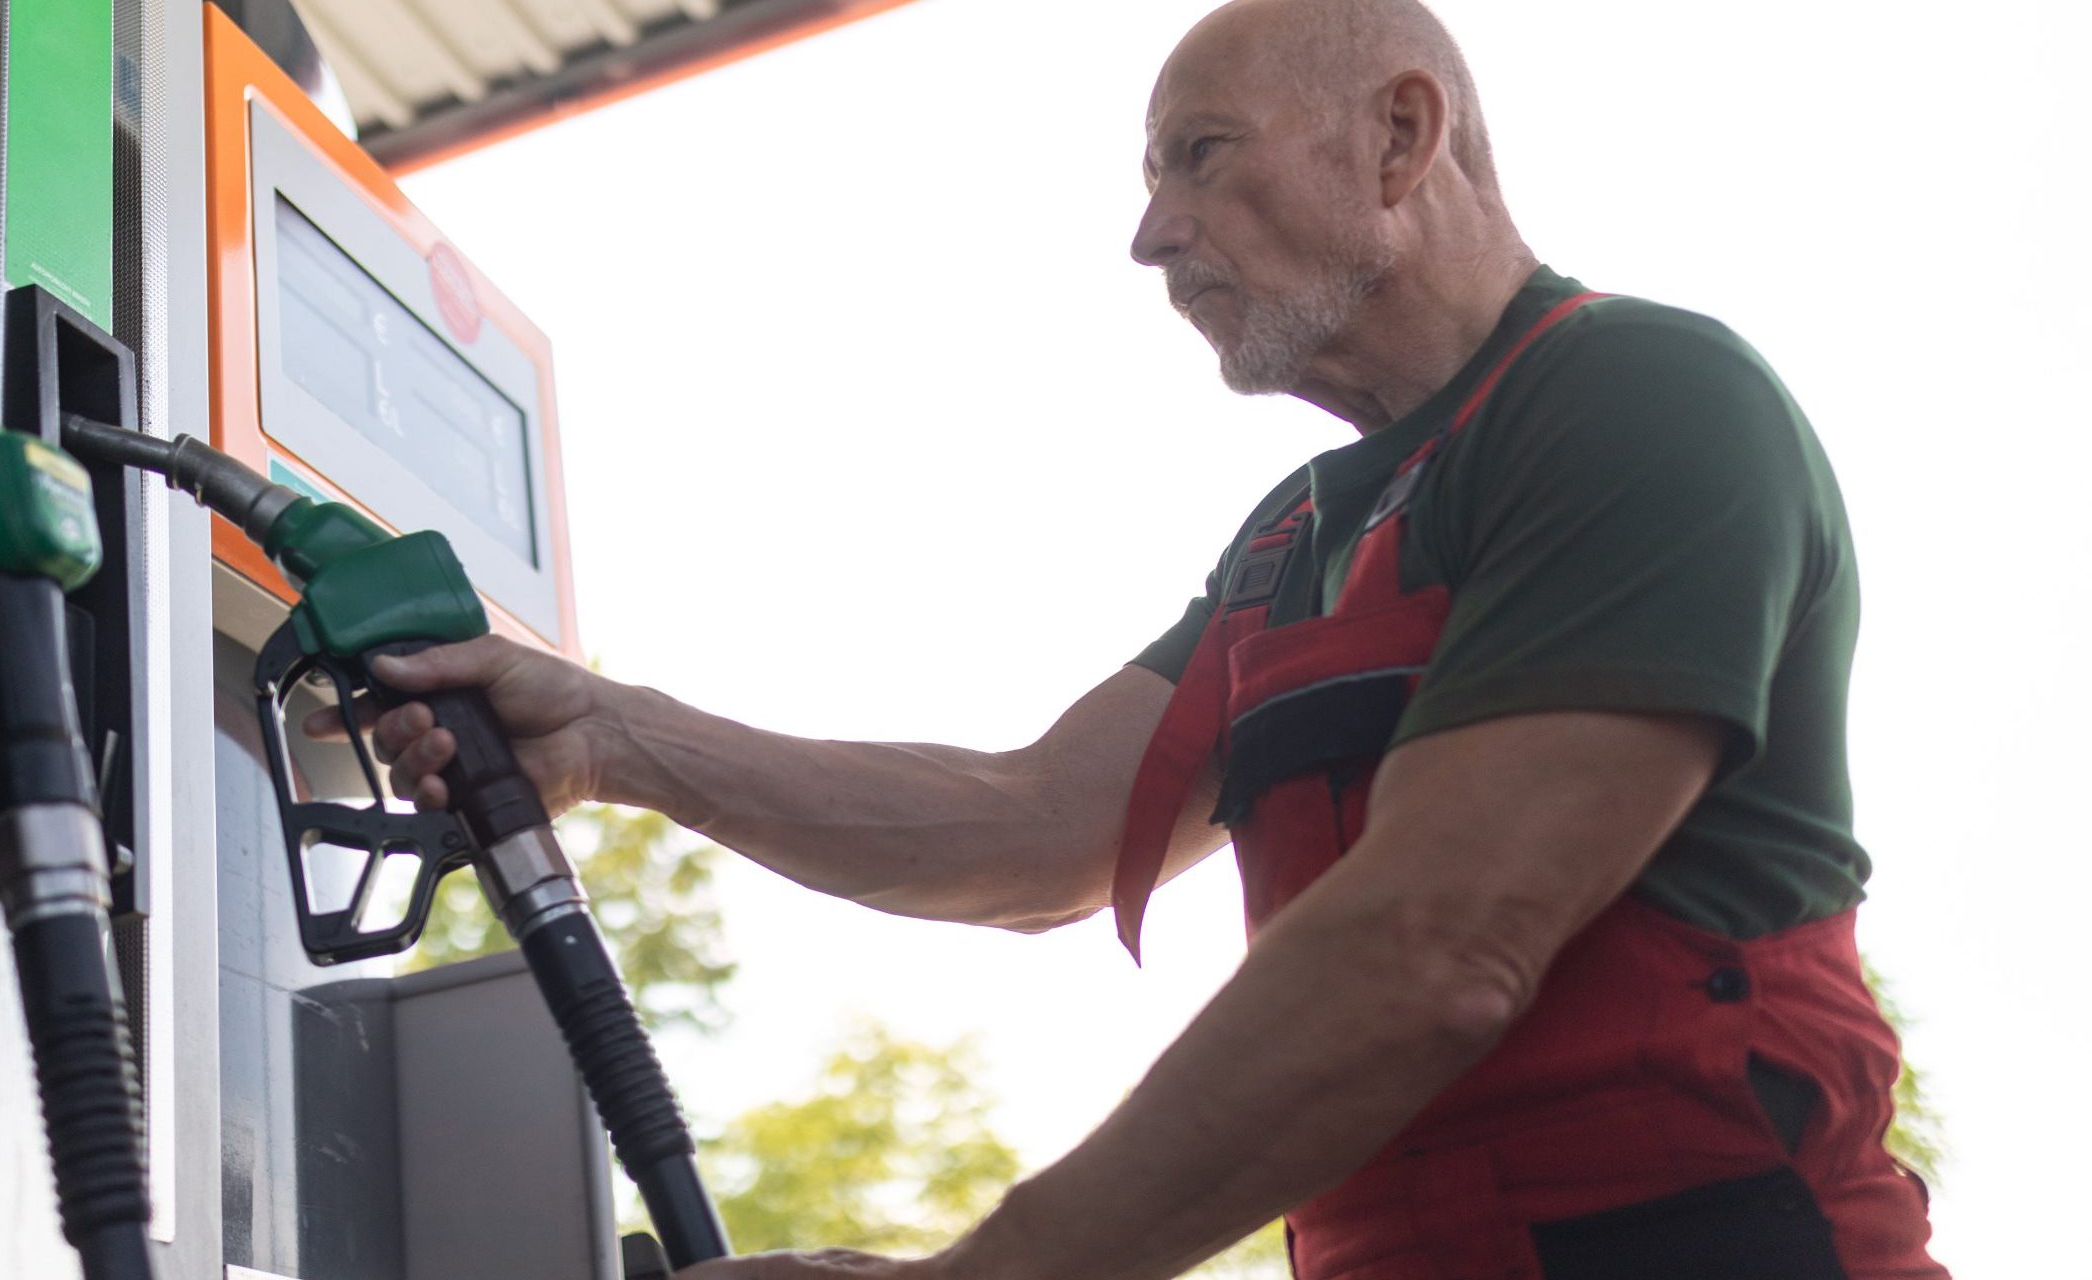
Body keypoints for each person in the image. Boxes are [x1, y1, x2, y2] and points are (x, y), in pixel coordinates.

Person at [322, 0, 1949, 1275]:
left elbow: (1439, 946)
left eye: (1198, 156)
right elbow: (1039, 829)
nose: (1149, 236)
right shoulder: (1294, 536)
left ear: (1401, 134)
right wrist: (620, 739)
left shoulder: (1640, 400)